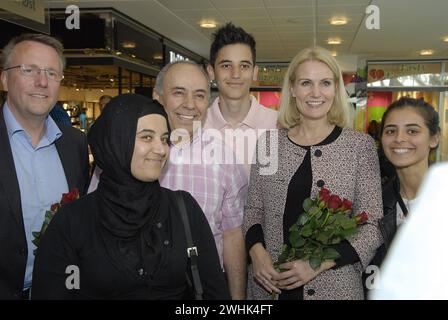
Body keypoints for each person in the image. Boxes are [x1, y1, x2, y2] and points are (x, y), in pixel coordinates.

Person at [31, 94, 229, 299]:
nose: (161, 149)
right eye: (146, 137)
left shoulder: (183, 209)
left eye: (164, 139)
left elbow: (215, 291)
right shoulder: (73, 221)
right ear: (115, 141)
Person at [242, 46, 382, 300]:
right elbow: (254, 210)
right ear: (293, 89)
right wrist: (255, 251)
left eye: (325, 83)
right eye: (306, 83)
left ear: (335, 89)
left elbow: (372, 226)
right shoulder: (268, 144)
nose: (316, 93)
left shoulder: (359, 147)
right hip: (270, 287)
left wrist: (317, 263)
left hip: (336, 288)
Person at [0, 33, 89, 299]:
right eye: (29, 70)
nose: (42, 81)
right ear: (4, 78)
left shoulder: (75, 143)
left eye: (52, 72)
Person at [154, 61, 248, 299]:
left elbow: (232, 235)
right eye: (178, 93)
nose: (189, 104)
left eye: (199, 95)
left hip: (202, 291)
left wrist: (236, 301)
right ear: (158, 97)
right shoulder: (130, 152)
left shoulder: (225, 158)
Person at [365, 97, 440, 294]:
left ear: (434, 138)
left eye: (412, 131)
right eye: (390, 131)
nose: (399, 138)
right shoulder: (374, 203)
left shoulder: (442, 196)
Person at [204, 22, 278, 178]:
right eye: (226, 66)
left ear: (255, 72)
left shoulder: (278, 125)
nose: (235, 74)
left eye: (244, 66)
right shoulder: (197, 126)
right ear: (211, 72)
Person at [370, 162, 448, 299]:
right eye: (389, 137)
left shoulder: (441, 188)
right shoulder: (374, 199)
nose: (400, 139)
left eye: (413, 138)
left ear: (434, 140)